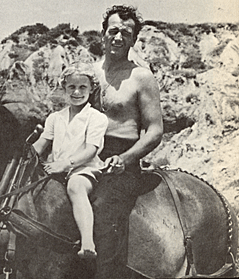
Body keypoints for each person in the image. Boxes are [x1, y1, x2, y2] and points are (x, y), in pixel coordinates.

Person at [90, 5, 164, 278]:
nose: (118, 37)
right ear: (103, 34)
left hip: (121, 159)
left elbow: (155, 131)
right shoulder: (89, 73)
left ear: (133, 39)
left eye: (126, 33)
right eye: (113, 31)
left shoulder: (142, 77)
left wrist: (124, 159)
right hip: (87, 151)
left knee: (104, 209)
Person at [33, 62, 108, 259]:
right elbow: (42, 143)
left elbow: (91, 150)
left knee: (76, 186)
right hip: (56, 168)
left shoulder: (97, 118)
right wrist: (27, 153)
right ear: (64, 88)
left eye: (83, 87)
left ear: (91, 89)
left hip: (84, 169)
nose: (77, 92)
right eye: (71, 87)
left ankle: (87, 241)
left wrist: (65, 164)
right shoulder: (55, 118)